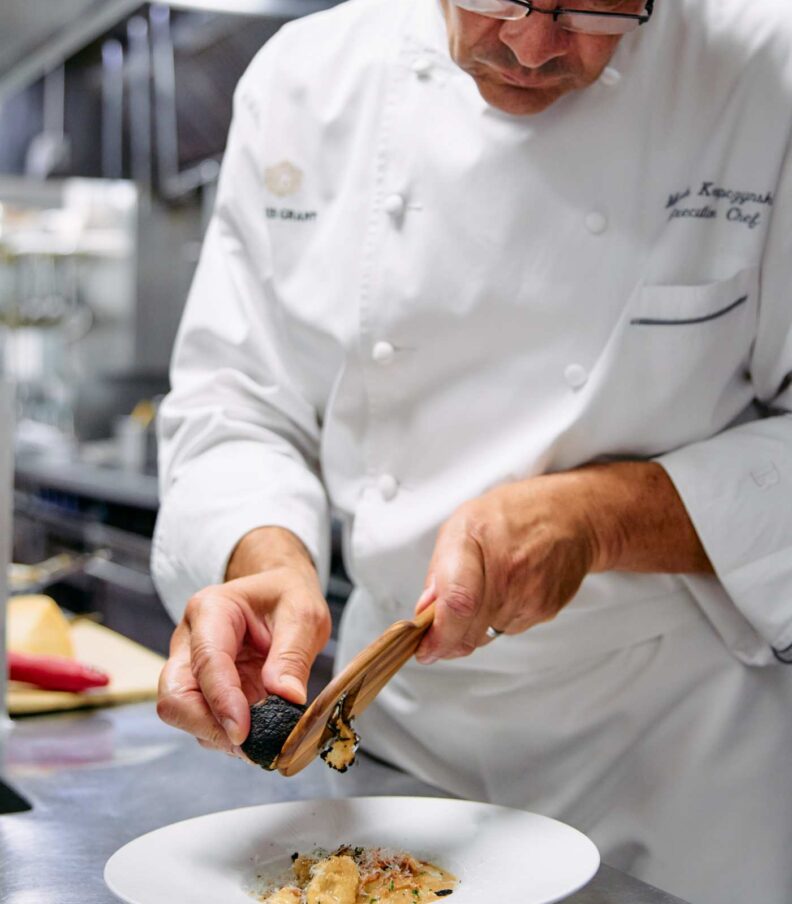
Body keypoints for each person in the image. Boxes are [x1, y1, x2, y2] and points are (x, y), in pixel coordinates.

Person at [152, 0, 792, 901]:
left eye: (597, 5)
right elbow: (236, 402)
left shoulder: (767, 72)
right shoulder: (307, 80)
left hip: (675, 761)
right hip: (400, 749)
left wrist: (605, 518)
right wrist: (263, 557)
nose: (532, 45)